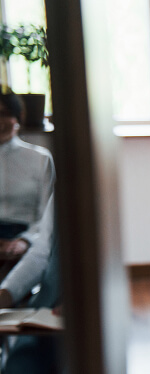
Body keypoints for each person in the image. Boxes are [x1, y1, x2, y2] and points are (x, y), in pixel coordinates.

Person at [0, 90, 61, 373]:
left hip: (25, 237)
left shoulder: (39, 158)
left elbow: (43, 242)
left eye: (5, 114)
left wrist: (23, 240)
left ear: (18, 119)